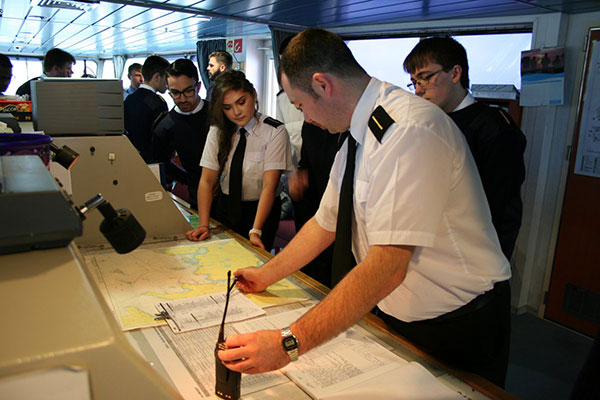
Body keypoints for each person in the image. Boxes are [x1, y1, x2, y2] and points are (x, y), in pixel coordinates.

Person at [217, 28, 511, 388]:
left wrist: (287, 344)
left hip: (455, 325)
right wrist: (268, 274)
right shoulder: (361, 134)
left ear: (323, 85)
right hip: (399, 315)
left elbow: (388, 267)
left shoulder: (408, 131)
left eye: (299, 105)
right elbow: (325, 223)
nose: (305, 117)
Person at [403, 36, 526, 260]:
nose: (418, 91)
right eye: (414, 82)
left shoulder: (494, 128)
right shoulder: (428, 122)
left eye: (425, 79)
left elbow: (501, 208)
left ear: (455, 73)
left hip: (474, 254)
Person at [186, 70, 292, 252]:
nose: (236, 112)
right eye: (227, 107)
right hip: (226, 208)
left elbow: (269, 186)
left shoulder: (274, 131)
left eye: (241, 102)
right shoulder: (218, 130)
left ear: (254, 96)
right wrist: (204, 224)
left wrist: (256, 230)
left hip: (260, 210)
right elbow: (206, 180)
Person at [289, 121, 347, 287]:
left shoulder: (349, 130)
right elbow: (306, 163)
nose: (307, 116)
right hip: (317, 211)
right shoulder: (310, 127)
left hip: (344, 220)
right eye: (299, 108)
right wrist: (300, 177)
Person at [152, 59, 211, 210]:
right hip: (197, 196)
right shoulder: (165, 127)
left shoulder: (217, 114)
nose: (183, 99)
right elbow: (163, 161)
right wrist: (188, 179)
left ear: (198, 86)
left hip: (231, 196)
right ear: (168, 89)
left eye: (188, 91)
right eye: (176, 93)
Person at [123, 55, 169, 163]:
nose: (167, 84)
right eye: (166, 78)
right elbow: (161, 142)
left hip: (130, 159)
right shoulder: (158, 103)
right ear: (157, 77)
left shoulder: (129, 99)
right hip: (151, 161)